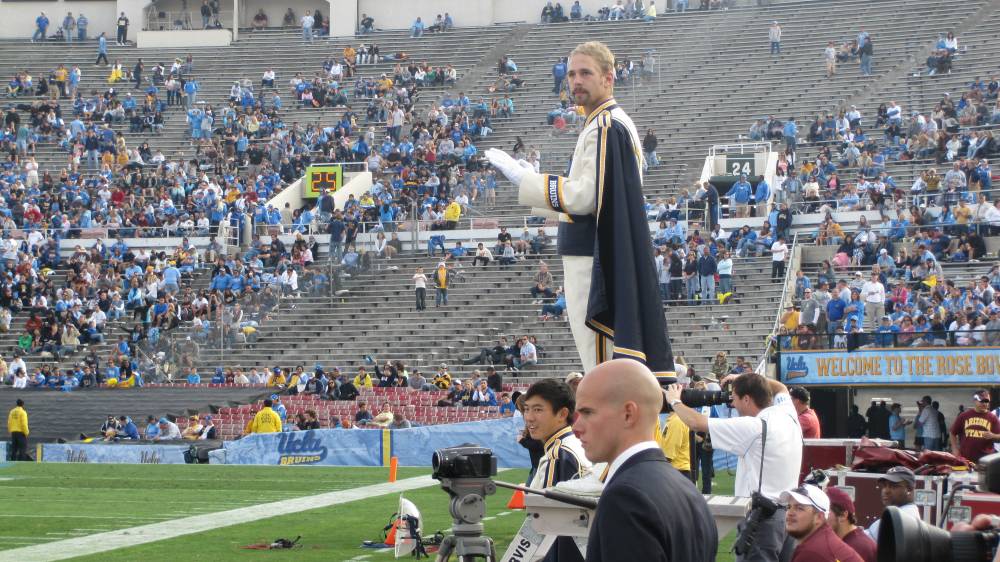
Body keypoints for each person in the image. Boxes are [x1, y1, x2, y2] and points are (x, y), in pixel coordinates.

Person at [486, 41, 675, 377]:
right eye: (572, 73)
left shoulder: (605, 125)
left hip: (594, 256)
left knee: (602, 365)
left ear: (609, 77)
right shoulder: (603, 122)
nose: (576, 81)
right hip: (595, 250)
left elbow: (586, 196)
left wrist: (527, 179)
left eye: (586, 72)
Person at [574, 359, 716, 561]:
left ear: (628, 414)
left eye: (587, 412)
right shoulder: (688, 489)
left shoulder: (625, 497)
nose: (576, 427)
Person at [666, 372, 801, 562]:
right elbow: (781, 388)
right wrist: (744, 376)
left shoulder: (755, 426)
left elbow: (696, 422)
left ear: (747, 399)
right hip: (787, 516)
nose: (732, 404)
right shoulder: (787, 414)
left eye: (734, 399)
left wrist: (674, 401)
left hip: (762, 521)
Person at [523, 379, 591, 562]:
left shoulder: (558, 454)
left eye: (538, 409)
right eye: (526, 409)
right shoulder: (575, 443)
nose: (529, 417)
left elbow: (547, 528)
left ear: (562, 414)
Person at [781, 484, 863, 562]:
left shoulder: (812, 552)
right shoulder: (823, 540)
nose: (790, 513)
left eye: (799, 508)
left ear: (819, 517)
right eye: (788, 507)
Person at [865, 466, 918, 541]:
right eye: (884, 486)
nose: (886, 491)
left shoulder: (901, 517)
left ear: (909, 489)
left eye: (894, 486)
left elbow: (862, 543)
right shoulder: (903, 512)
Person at [825, 486, 877, 562]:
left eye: (825, 512)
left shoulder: (858, 547)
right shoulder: (847, 541)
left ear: (843, 515)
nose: (818, 518)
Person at [949, 389, 1000, 463]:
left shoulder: (992, 417)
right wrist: (954, 448)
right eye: (982, 401)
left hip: (985, 460)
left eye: (987, 401)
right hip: (966, 459)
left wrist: (993, 436)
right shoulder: (964, 415)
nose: (985, 404)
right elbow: (952, 432)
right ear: (975, 400)